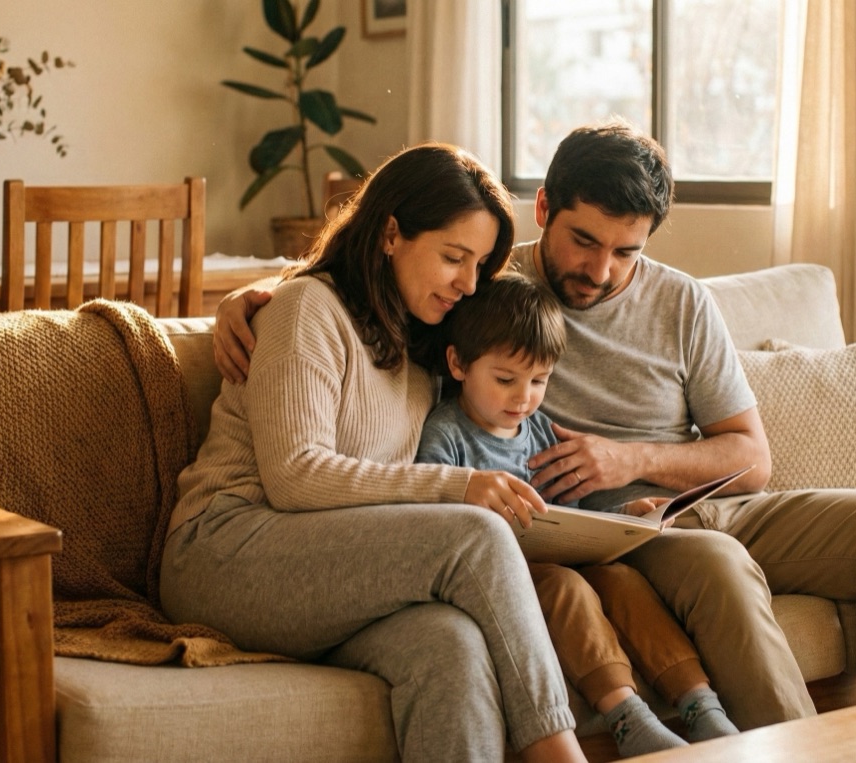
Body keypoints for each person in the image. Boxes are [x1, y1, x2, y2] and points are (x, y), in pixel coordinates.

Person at [212, 121, 856, 730]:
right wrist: (259, 294)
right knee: (719, 566)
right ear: (544, 212)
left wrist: (627, 457)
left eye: (626, 250)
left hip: (686, 502)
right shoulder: (492, 290)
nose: (600, 270)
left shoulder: (683, 303)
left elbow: (751, 458)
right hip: (596, 534)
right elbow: (376, 288)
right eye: (584, 241)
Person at [160, 143, 587, 763]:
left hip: (327, 568)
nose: (468, 283)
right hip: (226, 549)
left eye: (479, 265)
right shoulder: (308, 309)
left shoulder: (426, 340)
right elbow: (296, 478)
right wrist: (456, 487)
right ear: (391, 233)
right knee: (475, 535)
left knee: (451, 645)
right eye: (453, 258)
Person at [414, 273, 737, 758]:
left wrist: (630, 513)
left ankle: (700, 705)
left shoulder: (540, 430)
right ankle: (627, 717)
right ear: (458, 364)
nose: (523, 397)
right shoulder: (447, 435)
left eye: (539, 381)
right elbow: (432, 516)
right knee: (568, 588)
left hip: (564, 556)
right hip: (506, 576)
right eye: (505, 380)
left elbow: (577, 511)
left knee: (623, 578)